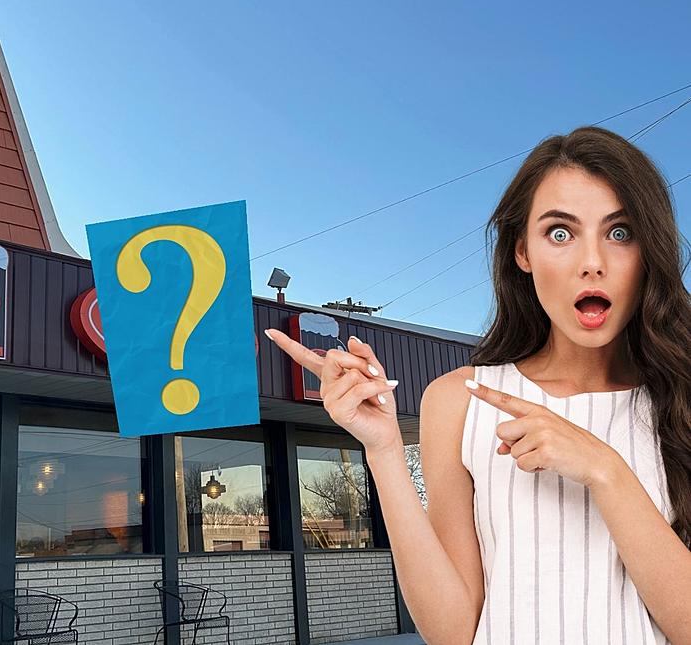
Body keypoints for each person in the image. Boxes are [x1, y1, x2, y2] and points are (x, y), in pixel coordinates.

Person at [265, 125, 690, 645]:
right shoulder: (459, 400)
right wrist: (384, 451)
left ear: (650, 251)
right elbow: (452, 631)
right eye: (560, 232)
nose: (592, 262)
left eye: (620, 232)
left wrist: (605, 471)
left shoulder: (681, 401)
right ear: (522, 253)